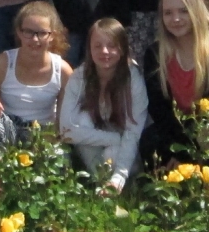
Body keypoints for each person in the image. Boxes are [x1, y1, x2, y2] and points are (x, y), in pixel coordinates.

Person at [140, 0, 209, 168]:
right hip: (175, 132)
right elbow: (159, 110)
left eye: (183, 11)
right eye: (168, 13)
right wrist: (179, 150)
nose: (176, 19)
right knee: (150, 140)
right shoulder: (155, 54)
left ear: (196, 11)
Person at [59, 17, 149, 193]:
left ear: (122, 49)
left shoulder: (134, 79)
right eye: (98, 46)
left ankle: (115, 183)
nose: (104, 51)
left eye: (112, 45)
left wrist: (119, 177)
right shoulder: (79, 77)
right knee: (82, 119)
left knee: (112, 154)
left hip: (126, 144)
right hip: (100, 140)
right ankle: (100, 181)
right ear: (89, 48)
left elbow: (133, 133)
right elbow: (65, 130)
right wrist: (112, 138)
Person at [0, 1, 72, 149]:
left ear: (52, 35)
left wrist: (52, 140)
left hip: (43, 131)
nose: (35, 39)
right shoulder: (0, 64)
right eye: (28, 32)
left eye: (41, 33)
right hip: (9, 127)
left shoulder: (63, 71)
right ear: (19, 32)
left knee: (58, 163)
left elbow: (63, 119)